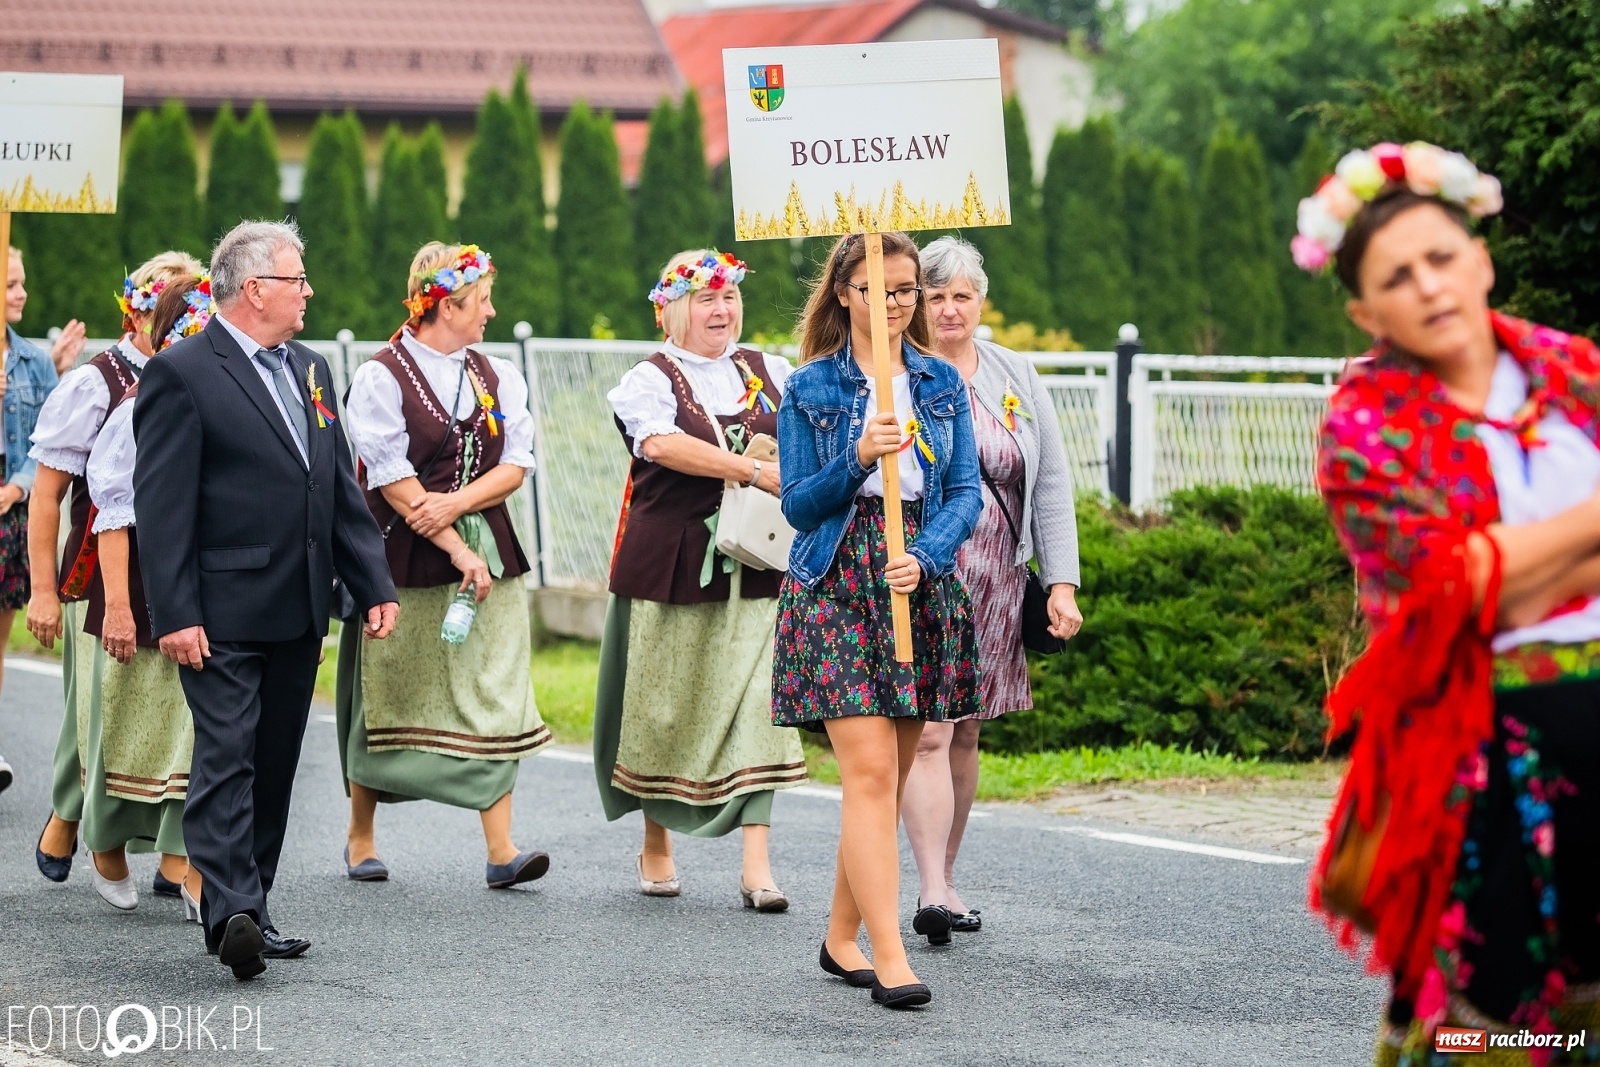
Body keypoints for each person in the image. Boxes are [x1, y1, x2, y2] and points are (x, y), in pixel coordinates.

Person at [1301, 142, 1600, 1063]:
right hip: (1478, 746)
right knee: (1493, 1016)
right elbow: (1447, 589)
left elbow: (1488, 575)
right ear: (1365, 310)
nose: (1427, 285)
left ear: (1481, 258)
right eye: (1397, 276)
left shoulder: (1575, 370)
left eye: (1441, 257)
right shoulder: (1364, 426)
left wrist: (1511, 569)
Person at [133, 220, 398, 981]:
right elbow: (162, 506)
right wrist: (174, 611)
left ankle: (257, 902)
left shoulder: (311, 368)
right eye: (297, 280)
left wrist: (373, 581)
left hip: (299, 605)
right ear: (255, 289)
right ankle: (232, 912)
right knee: (227, 755)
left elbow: (339, 489)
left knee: (274, 759)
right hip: (218, 610)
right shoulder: (182, 373)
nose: (308, 291)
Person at [772, 232, 982, 1008]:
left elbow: (966, 492)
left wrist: (926, 556)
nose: (895, 304)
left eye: (906, 290)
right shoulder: (810, 387)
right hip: (834, 577)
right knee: (866, 772)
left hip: (912, 575)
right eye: (878, 289)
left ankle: (837, 936)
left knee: (887, 778)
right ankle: (888, 954)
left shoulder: (939, 382)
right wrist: (857, 453)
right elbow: (796, 503)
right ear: (843, 293)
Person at [596, 249, 806, 907]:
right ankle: (657, 841)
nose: (723, 310)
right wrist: (747, 469)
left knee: (760, 703)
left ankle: (757, 864)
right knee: (669, 704)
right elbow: (659, 445)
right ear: (672, 311)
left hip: (762, 565)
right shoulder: (650, 380)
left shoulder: (772, 370)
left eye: (731, 297)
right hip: (676, 566)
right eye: (707, 299)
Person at [339, 242, 551, 888]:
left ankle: (500, 848)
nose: (490, 311)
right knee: (391, 681)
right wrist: (447, 536)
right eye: (481, 299)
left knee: (493, 683)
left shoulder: (497, 374)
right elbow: (387, 470)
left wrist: (456, 506)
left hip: (487, 543)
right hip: (403, 550)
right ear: (446, 304)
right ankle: (360, 835)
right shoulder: (382, 375)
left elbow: (516, 462)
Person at [900, 236, 1083, 943]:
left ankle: (946, 874)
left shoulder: (1014, 371)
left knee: (967, 730)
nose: (949, 309)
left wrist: (1061, 583)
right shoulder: (902, 374)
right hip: (926, 572)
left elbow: (1052, 484)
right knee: (929, 731)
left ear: (982, 301)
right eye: (935, 295)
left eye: (961, 296)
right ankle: (928, 887)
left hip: (1000, 577)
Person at [25, 250, 203, 882]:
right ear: (139, 314)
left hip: (174, 572)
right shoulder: (95, 382)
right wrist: (43, 591)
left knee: (168, 708)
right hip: (95, 576)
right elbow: (47, 495)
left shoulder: (198, 377)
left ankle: (169, 843)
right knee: (93, 708)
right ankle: (71, 818)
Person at [78, 275, 212, 915]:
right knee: (133, 724)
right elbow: (112, 510)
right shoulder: (139, 406)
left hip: (206, 585)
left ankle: (189, 866)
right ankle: (105, 844)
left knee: (198, 728)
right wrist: (122, 609)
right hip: (137, 579)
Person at [2, 244, 65, 795]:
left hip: (7, 519)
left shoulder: (34, 361)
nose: (21, 293)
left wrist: (16, 486)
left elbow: (45, 440)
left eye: (20, 283)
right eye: (10, 285)